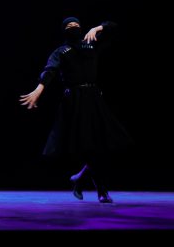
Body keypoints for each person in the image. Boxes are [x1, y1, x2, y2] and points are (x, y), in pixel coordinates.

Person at [19, 17, 132, 203]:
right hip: (75, 101)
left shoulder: (90, 43)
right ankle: (101, 190)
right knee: (89, 147)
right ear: (64, 30)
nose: (73, 27)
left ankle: (79, 179)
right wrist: (39, 89)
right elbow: (50, 70)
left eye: (76, 25)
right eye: (69, 26)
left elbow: (114, 27)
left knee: (105, 144)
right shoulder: (61, 51)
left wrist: (97, 28)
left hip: (94, 99)